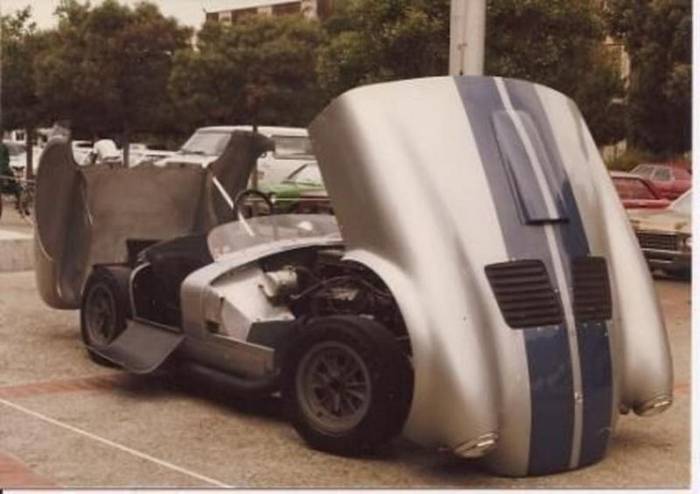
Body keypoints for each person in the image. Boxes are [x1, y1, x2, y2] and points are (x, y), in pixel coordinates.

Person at [0, 141, 22, 211]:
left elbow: (7, 159)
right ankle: (19, 203)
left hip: (5, 171)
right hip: (5, 171)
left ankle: (19, 203)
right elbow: (7, 160)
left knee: (16, 186)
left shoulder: (4, 147)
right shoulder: (3, 147)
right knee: (17, 187)